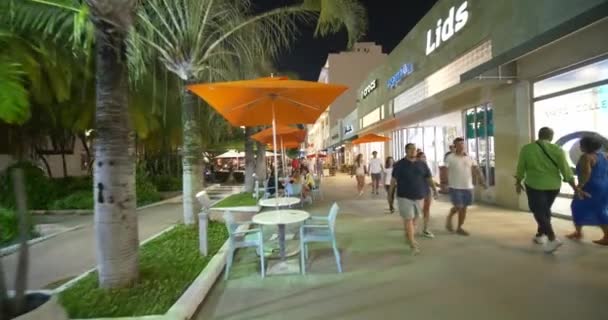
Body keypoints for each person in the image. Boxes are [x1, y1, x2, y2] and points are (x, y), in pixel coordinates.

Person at [515, 127, 577, 253]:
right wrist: (575, 187)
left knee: (538, 211)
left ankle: (552, 239)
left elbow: (521, 167)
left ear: (539, 135)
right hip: (554, 186)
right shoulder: (558, 150)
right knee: (544, 209)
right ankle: (540, 235)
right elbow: (566, 170)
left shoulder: (527, 149)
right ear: (551, 137)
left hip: (534, 184)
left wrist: (518, 182)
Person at [390, 143, 438, 255]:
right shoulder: (399, 165)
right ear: (406, 151)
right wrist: (390, 195)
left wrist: (435, 190)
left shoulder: (422, 164)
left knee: (415, 219)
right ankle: (412, 244)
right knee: (408, 219)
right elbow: (393, 182)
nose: (413, 151)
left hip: (419, 197)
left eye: (414, 149)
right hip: (404, 197)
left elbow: (429, 178)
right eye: (410, 149)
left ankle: (408, 235)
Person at [567, 136, 608, 245]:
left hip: (591, 186)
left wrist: (579, 187)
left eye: (581, 144)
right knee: (600, 209)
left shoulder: (586, 157)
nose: (580, 146)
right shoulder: (604, 155)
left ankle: (606, 236)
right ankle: (578, 232)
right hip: (604, 185)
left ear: (585, 146)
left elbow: (586, 173)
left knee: (577, 206)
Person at [445, 137, 487, 236]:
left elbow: (477, 169)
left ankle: (460, 227)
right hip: (455, 186)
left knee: (464, 208)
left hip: (468, 187)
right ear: (455, 146)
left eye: (463, 144)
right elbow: (445, 170)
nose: (461, 146)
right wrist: (445, 183)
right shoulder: (450, 157)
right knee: (458, 206)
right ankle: (450, 217)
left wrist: (482, 181)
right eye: (459, 144)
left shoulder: (470, 157)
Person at [416, 151, 437, 238]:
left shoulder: (426, 167)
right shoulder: (415, 167)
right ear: (417, 158)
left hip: (427, 191)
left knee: (426, 210)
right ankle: (412, 226)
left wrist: (435, 189)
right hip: (417, 191)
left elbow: (430, 179)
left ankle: (425, 228)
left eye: (425, 157)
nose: (424, 159)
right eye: (422, 157)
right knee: (416, 211)